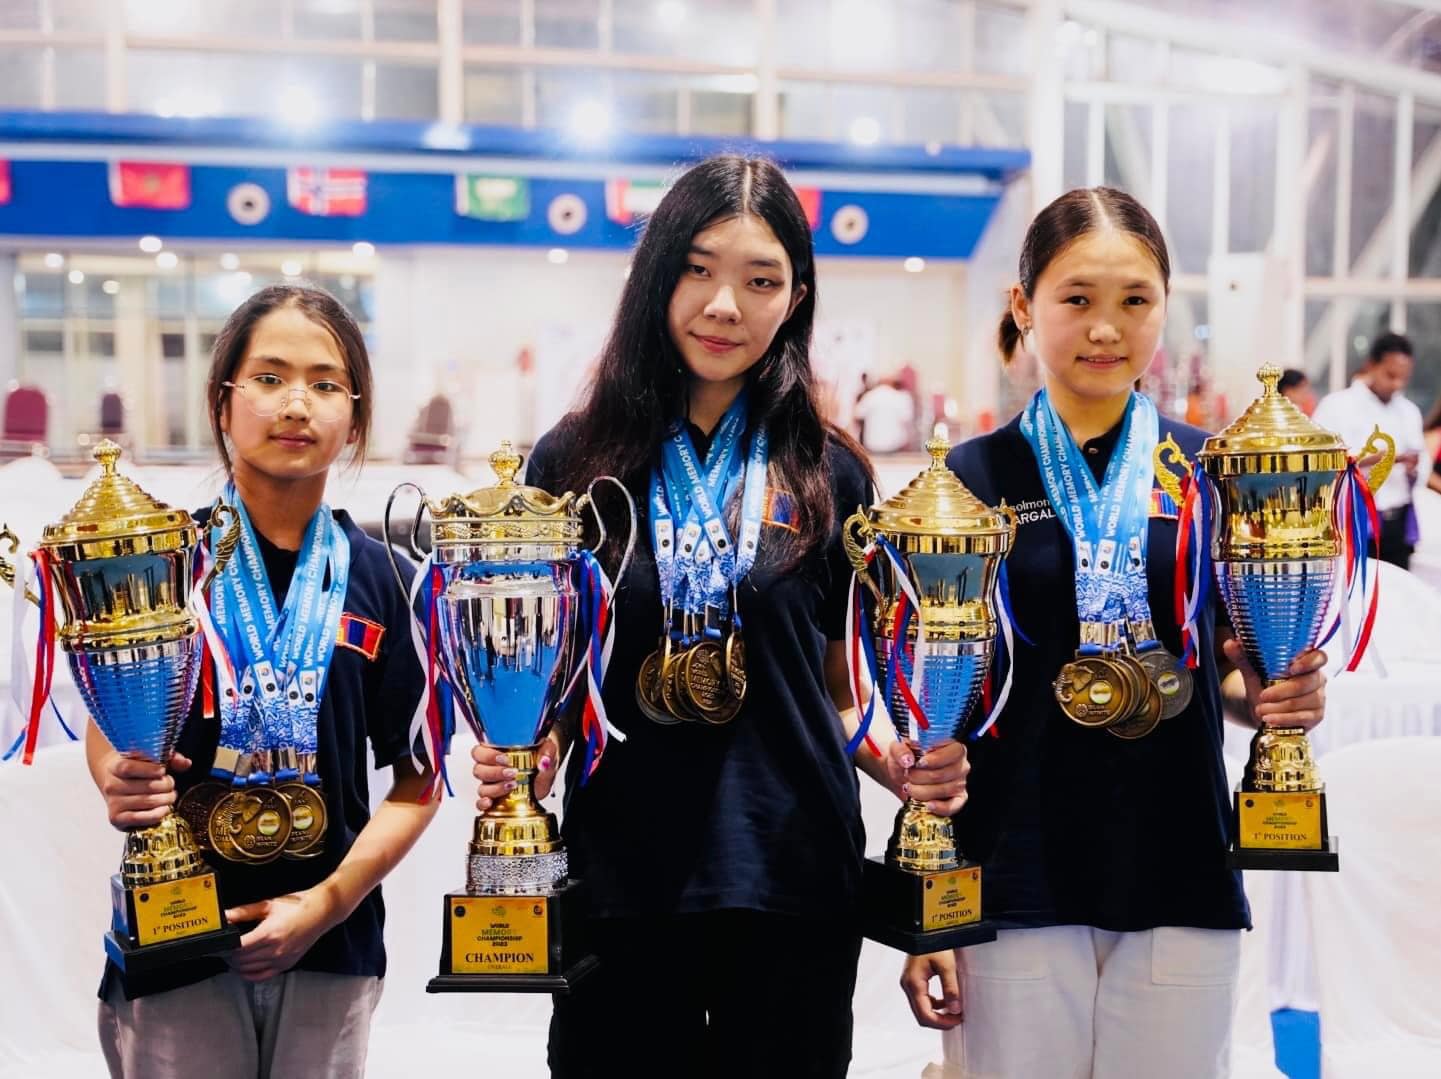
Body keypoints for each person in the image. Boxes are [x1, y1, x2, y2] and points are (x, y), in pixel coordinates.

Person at [470, 155, 969, 1078]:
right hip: (622, 875)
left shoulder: (831, 471)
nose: (724, 305)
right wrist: (525, 745)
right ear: (655, 276)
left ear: (795, 298)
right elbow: (555, 678)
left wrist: (904, 763)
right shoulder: (573, 462)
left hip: (792, 875)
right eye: (697, 269)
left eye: (760, 280)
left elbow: (835, 687)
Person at [900, 188, 1328, 1079]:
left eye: (1135, 299)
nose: (1106, 327)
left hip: (1179, 854)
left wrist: (1275, 690)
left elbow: (1229, 668)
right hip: (1013, 865)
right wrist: (925, 909)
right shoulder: (965, 482)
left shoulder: (1214, 469)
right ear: (1023, 306)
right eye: (1077, 298)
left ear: (1165, 307)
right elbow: (936, 710)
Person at [90, 285, 440, 1078]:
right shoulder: (161, 563)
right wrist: (114, 773)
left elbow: (419, 777)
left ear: (355, 418)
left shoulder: (388, 581)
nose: (296, 404)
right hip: (172, 940)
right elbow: (112, 723)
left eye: (325, 383)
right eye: (270, 377)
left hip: (330, 947)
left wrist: (328, 902)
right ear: (223, 403)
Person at [1313, 333, 1431, 569]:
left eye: (1404, 378)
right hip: (1352, 518)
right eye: (1391, 375)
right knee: (1357, 586)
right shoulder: (1336, 406)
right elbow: (1321, 463)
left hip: (1396, 519)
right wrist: (1379, 458)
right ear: (1371, 365)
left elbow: (1422, 460)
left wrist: (1414, 467)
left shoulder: (1409, 411)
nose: (1397, 384)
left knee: (1398, 587)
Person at [854, 372, 918, 453]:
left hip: (872, 444)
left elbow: (857, 415)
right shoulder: (900, 397)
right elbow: (907, 419)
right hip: (894, 445)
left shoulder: (870, 396)